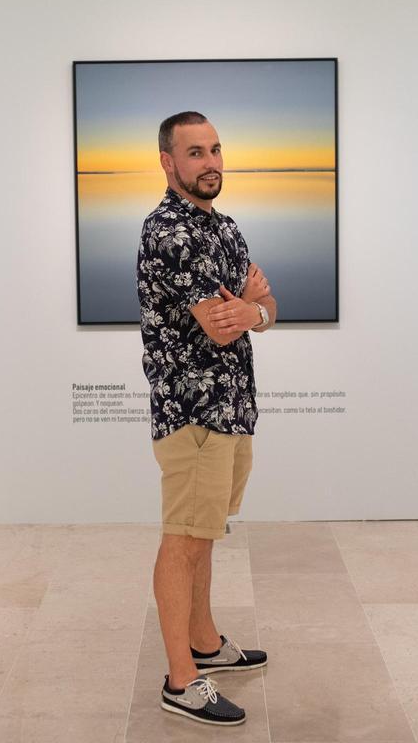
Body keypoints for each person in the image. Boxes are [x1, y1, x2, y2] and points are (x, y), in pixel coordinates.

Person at [137, 111, 278, 726]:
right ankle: (180, 678)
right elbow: (220, 326)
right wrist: (248, 309)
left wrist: (254, 310)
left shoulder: (226, 228)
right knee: (184, 537)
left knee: (207, 531)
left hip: (232, 407)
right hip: (191, 411)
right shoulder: (168, 230)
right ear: (168, 163)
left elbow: (264, 306)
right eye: (194, 153)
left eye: (215, 149)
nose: (210, 162)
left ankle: (204, 641)